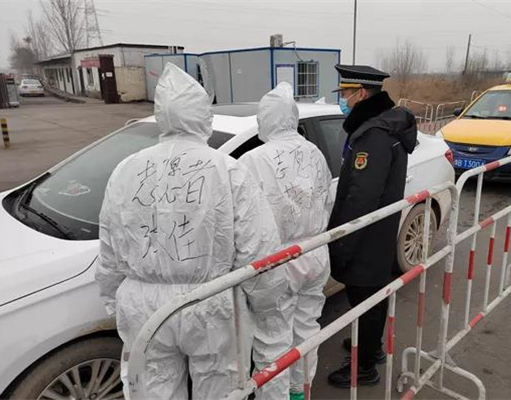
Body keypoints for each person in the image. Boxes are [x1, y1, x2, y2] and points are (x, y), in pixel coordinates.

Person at [95, 62, 289, 400]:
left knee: (152, 390)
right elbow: (258, 248)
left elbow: (109, 247)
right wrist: (267, 306)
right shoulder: (227, 170)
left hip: (143, 306)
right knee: (220, 388)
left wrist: (116, 300)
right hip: (211, 304)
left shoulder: (125, 170)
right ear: (203, 116)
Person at [239, 83, 333, 400]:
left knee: (273, 339)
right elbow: (326, 200)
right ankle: (299, 392)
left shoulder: (253, 160)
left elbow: (244, 221)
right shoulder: (314, 152)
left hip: (277, 260)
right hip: (315, 251)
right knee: (306, 327)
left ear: (265, 119)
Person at [326, 64, 418, 388]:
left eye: (346, 94)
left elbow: (361, 198)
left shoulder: (374, 136)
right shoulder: (383, 127)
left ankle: (364, 367)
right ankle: (371, 346)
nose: (344, 101)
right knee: (373, 295)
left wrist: (342, 243)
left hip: (366, 235)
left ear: (362, 93)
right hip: (378, 231)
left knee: (365, 296)